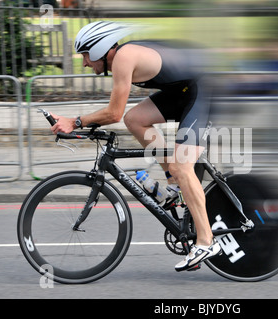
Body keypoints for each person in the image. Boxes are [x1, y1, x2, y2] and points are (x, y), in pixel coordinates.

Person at [50, 21, 221, 272]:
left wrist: (75, 122)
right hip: (185, 90)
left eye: (85, 55)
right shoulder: (123, 57)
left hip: (205, 89)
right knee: (136, 119)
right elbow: (124, 116)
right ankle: (174, 183)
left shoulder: (123, 58)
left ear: (98, 49)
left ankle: (206, 241)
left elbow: (113, 113)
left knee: (182, 166)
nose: (85, 62)